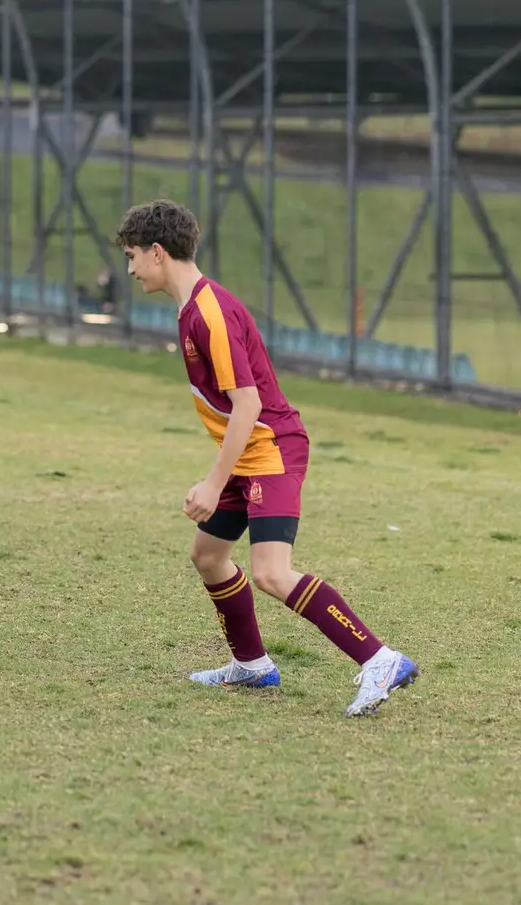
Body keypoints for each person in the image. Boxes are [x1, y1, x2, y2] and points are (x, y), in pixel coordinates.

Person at [114, 199, 419, 717]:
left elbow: (249, 403)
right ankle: (252, 665)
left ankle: (380, 659)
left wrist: (213, 483)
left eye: (132, 256)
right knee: (208, 555)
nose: (130, 268)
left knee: (273, 573)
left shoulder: (209, 311)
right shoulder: (193, 307)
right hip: (247, 450)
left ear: (158, 252)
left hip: (270, 449)